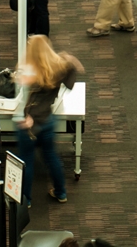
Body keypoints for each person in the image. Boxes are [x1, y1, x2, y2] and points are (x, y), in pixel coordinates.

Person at [17, 35, 83, 206]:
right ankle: (60, 192)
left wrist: (26, 116)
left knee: (27, 161)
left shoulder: (30, 72)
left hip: (29, 124)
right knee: (51, 157)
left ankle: (26, 200)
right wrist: (70, 60)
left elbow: (26, 95)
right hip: (47, 120)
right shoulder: (58, 68)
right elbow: (70, 82)